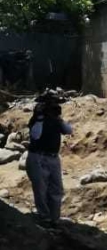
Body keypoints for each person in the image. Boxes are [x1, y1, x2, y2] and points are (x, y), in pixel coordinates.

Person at [26, 95, 72, 225]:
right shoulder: (36, 120)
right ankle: (44, 217)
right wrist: (39, 117)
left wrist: (59, 119)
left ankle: (54, 217)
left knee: (56, 189)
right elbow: (35, 135)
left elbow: (68, 130)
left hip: (53, 157)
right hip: (38, 157)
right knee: (41, 189)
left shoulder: (56, 120)